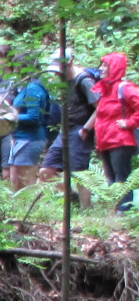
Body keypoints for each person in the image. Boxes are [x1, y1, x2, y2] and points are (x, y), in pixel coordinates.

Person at [39, 54, 101, 206]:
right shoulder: (63, 81)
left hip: (80, 130)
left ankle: (86, 208)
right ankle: (71, 196)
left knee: (79, 173)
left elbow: (100, 107)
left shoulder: (84, 80)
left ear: (70, 62)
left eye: (60, 69)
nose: (57, 74)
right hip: (65, 130)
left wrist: (86, 129)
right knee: (46, 171)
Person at [82, 54, 139, 212]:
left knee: (122, 180)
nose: (101, 68)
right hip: (105, 141)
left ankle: (123, 212)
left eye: (105, 66)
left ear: (114, 68)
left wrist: (130, 122)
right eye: (101, 65)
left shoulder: (124, 88)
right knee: (111, 180)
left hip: (121, 140)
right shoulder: (104, 89)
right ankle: (114, 211)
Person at [1, 52, 51, 191]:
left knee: (25, 183)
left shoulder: (33, 88)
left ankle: (31, 209)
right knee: (15, 181)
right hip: (20, 138)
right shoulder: (25, 87)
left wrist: (11, 116)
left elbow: (33, 117)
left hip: (30, 139)